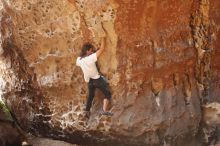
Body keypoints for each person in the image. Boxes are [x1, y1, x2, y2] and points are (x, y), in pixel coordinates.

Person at [76, 35, 113, 117]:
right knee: (107, 94)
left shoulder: (79, 60)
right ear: (87, 51)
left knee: (90, 96)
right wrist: (103, 38)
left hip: (89, 81)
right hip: (97, 80)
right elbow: (102, 49)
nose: (92, 52)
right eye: (91, 51)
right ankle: (104, 111)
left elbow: (79, 58)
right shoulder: (91, 58)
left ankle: (87, 112)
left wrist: (84, 54)